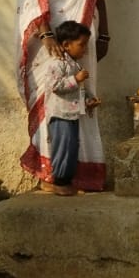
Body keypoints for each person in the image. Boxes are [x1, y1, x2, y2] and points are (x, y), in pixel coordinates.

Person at [17, 0, 109, 192]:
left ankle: (82, 171)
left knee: (83, 97)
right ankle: (50, 173)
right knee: (52, 100)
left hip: (83, 34)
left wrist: (104, 32)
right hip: (51, 38)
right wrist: (46, 35)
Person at [44, 21, 102, 196]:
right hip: (60, 114)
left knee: (71, 147)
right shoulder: (58, 64)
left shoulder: (75, 65)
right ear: (66, 45)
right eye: (81, 44)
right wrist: (75, 79)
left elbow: (78, 91)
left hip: (71, 114)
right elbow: (55, 86)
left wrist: (89, 101)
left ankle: (66, 180)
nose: (85, 49)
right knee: (63, 147)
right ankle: (59, 181)